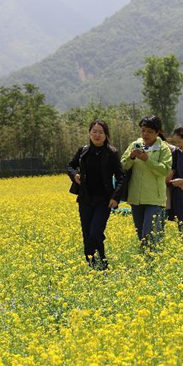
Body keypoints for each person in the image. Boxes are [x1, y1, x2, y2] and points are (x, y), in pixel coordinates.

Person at [68, 120, 125, 270]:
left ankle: (102, 263)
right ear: (89, 133)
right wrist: (74, 175)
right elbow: (70, 166)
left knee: (95, 232)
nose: (97, 135)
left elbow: (121, 177)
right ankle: (93, 266)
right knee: (87, 233)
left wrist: (115, 197)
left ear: (106, 135)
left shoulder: (111, 153)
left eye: (101, 132)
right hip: (85, 198)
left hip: (104, 200)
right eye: (94, 132)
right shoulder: (83, 151)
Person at [121, 115, 172, 248]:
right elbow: (122, 166)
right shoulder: (134, 145)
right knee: (141, 237)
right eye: (143, 130)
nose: (145, 134)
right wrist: (131, 157)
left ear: (157, 132)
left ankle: (153, 263)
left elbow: (164, 170)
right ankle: (146, 263)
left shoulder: (163, 148)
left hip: (154, 199)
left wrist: (147, 160)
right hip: (135, 197)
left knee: (149, 235)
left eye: (149, 131)